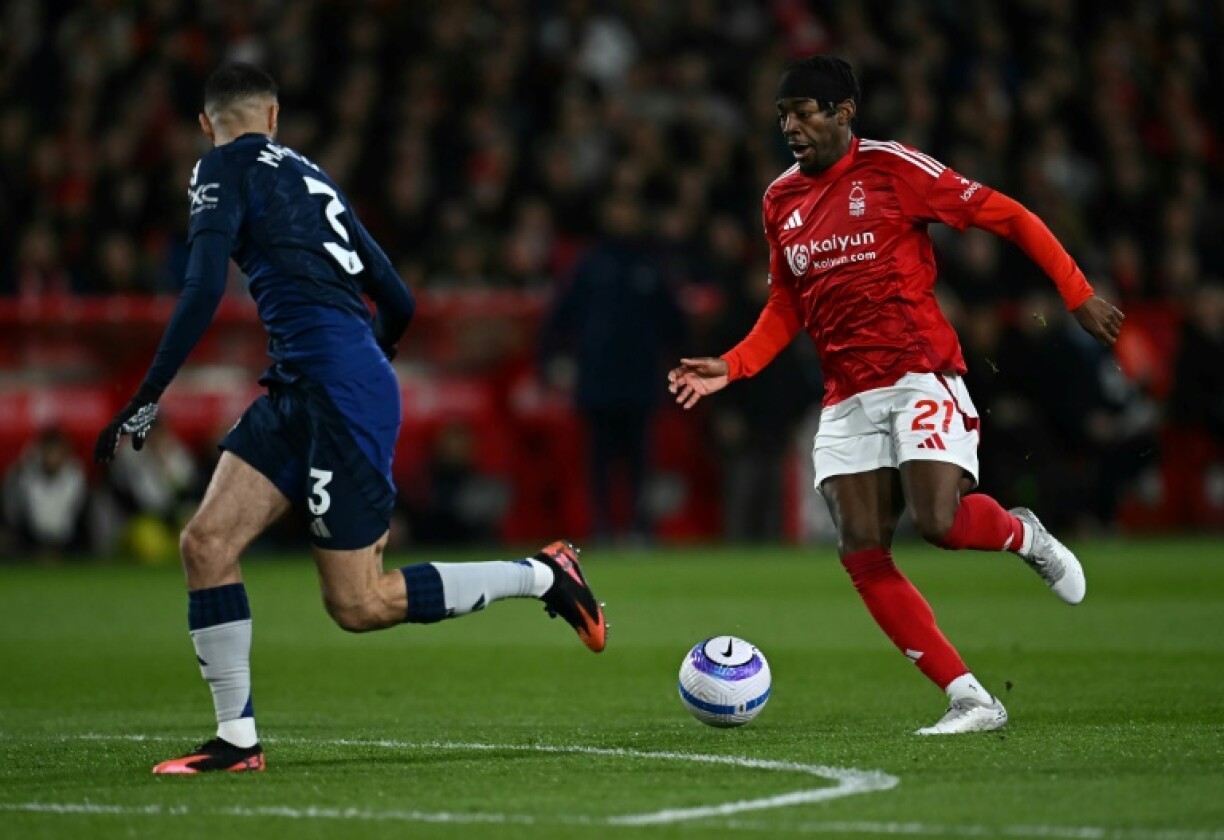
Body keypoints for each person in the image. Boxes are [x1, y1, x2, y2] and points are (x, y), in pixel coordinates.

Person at [93, 63, 606, 775]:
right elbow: (398, 298)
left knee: (359, 604)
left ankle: (543, 575)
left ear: (208, 125)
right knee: (205, 544)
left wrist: (148, 391)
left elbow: (204, 282)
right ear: (273, 118)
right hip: (309, 386)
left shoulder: (217, 168)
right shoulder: (311, 175)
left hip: (336, 390)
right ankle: (237, 742)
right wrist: (369, 359)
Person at [668, 56, 1124, 735]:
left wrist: (1077, 291)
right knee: (860, 545)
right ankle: (970, 697)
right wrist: (731, 367)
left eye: (804, 112)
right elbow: (786, 307)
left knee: (937, 521)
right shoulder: (779, 201)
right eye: (782, 115)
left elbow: (1011, 216)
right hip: (847, 394)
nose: (790, 126)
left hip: (919, 370)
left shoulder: (894, 169)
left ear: (844, 113)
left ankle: (1021, 532)